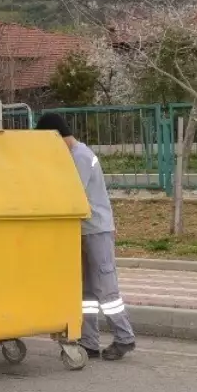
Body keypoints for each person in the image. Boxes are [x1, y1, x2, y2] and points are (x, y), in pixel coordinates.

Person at [36, 112, 136, 360]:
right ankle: (89, 342)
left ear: (56, 136)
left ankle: (124, 338)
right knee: (87, 291)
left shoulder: (80, 157)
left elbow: (70, 194)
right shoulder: (72, 155)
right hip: (83, 231)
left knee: (106, 288)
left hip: (96, 230)